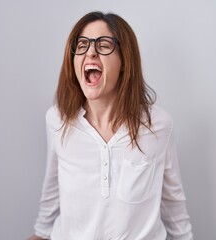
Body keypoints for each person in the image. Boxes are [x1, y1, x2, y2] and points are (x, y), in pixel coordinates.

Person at [28, 11, 193, 240]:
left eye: (103, 45)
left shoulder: (158, 125)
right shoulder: (57, 120)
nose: (91, 52)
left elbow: (173, 206)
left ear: (125, 61)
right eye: (82, 45)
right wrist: (39, 233)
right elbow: (51, 193)